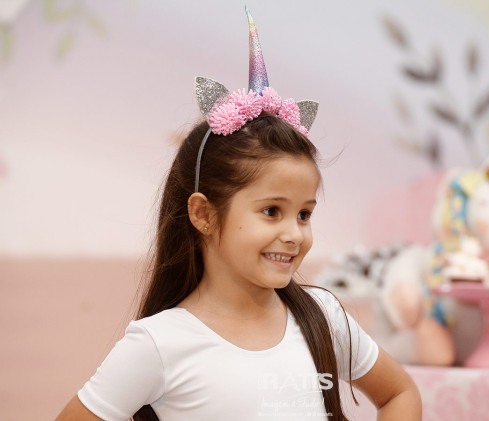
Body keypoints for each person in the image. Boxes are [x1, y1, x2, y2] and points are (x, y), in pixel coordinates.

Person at [56, 7, 421, 421]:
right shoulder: (158, 344)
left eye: (304, 214)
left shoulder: (323, 317)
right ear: (204, 214)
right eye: (272, 211)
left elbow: (400, 393)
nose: (294, 234)